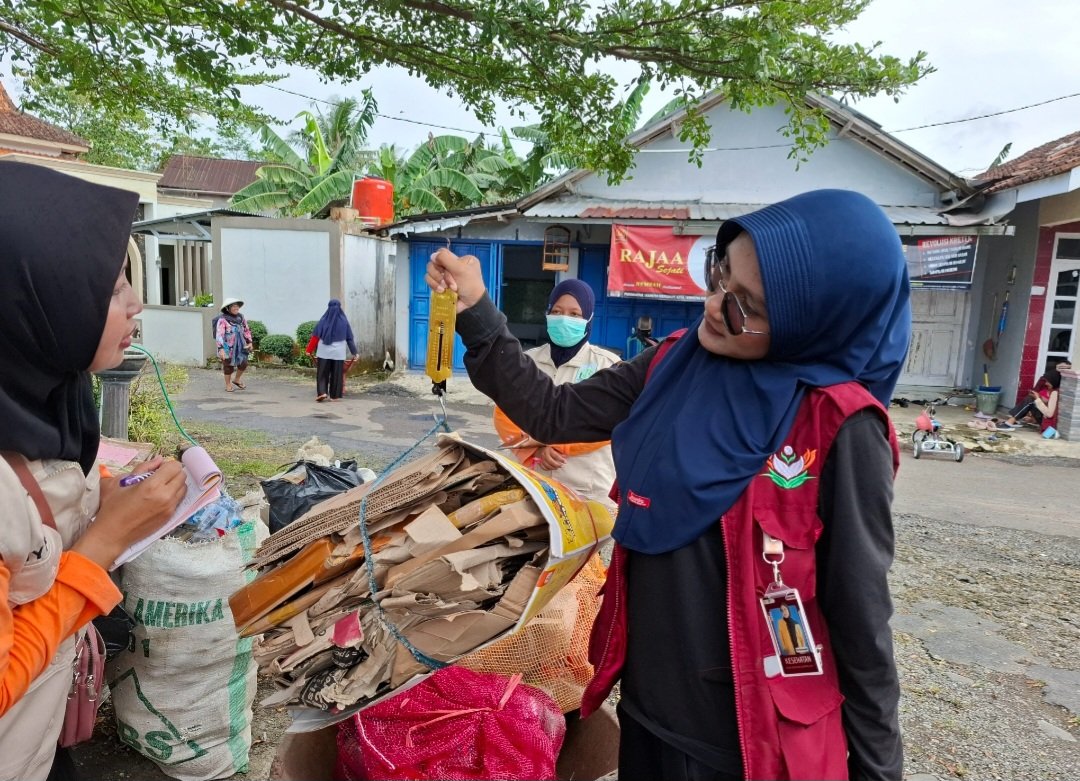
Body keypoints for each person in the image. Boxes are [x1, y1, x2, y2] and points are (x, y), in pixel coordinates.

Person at [427, 188, 910, 781]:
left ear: (816, 323)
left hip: (746, 737)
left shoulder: (837, 426)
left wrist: (878, 769)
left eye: (745, 307)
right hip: (649, 707)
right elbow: (553, 411)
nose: (714, 306)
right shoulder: (672, 364)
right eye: (719, 275)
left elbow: (859, 617)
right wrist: (477, 309)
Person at [0, 162, 188, 780]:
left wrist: (105, 502)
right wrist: (105, 540)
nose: (137, 304)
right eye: (109, 289)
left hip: (43, 731)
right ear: (29, 298)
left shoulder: (51, 396)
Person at [493, 279, 620, 509]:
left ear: (589, 319)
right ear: (547, 314)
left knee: (586, 544)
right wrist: (536, 448)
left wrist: (561, 445)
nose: (564, 319)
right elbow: (504, 415)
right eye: (557, 312)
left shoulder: (608, 366)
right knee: (532, 540)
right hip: (533, 480)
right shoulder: (526, 362)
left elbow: (610, 422)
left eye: (575, 314)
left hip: (585, 485)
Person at [305, 299, 358, 402]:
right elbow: (349, 338)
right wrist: (354, 352)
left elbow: (315, 337)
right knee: (337, 374)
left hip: (324, 352)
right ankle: (334, 396)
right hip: (338, 353)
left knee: (322, 373)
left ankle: (322, 392)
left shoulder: (324, 320)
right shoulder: (344, 321)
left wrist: (309, 350)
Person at [216, 297, 253, 392]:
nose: (236, 308)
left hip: (241, 345)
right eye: (233, 306)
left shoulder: (241, 317)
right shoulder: (222, 319)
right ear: (228, 308)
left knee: (243, 363)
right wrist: (221, 349)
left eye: (237, 306)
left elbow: (246, 330)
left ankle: (236, 380)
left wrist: (250, 342)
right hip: (227, 347)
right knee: (228, 366)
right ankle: (228, 384)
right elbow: (219, 335)